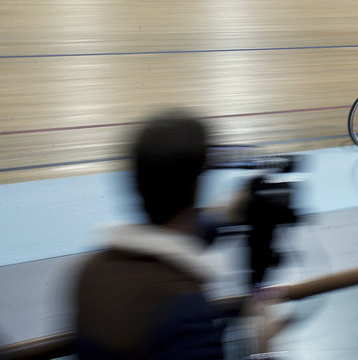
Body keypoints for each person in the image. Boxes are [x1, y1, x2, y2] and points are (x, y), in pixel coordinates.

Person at [73, 110, 284, 360]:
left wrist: (222, 217)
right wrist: (262, 349)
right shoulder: (183, 311)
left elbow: (169, 242)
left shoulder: (91, 271)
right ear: (196, 189)